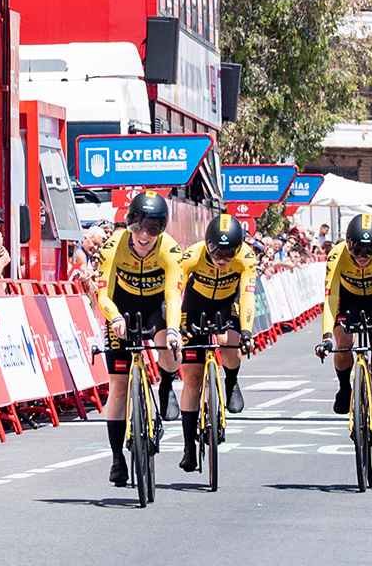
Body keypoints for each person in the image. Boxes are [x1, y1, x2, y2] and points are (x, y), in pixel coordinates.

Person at [93, 190, 185, 486]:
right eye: (138, 225)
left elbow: (173, 296)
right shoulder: (113, 246)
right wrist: (115, 318)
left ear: (162, 229)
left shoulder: (170, 250)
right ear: (129, 223)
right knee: (118, 387)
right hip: (122, 308)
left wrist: (174, 331)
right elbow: (102, 295)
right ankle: (117, 458)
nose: (144, 234)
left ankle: (167, 383)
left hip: (155, 308)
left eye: (153, 227)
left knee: (170, 349)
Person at [315, 213, 372, 470]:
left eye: (369, 249)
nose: (363, 256)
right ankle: (345, 387)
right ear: (348, 244)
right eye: (357, 249)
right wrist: (326, 336)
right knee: (342, 342)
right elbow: (330, 298)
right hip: (348, 299)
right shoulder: (337, 255)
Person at [174, 214, 258, 472]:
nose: (222, 259)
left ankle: (231, 380)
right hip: (194, 305)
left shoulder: (246, 257)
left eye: (228, 253)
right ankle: (188, 447)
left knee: (231, 345)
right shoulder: (192, 255)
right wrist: (174, 325)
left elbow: (247, 296)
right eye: (216, 253)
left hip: (226, 303)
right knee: (192, 378)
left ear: (238, 248)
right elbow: (174, 291)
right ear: (207, 244)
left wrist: (246, 331)